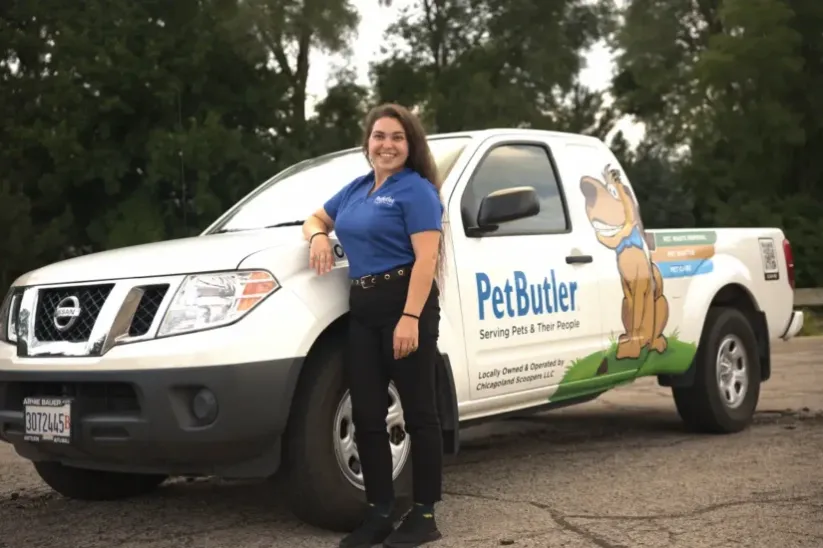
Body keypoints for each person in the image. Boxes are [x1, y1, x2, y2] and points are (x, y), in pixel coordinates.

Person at [301, 103, 446, 548]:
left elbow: (427, 258)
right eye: (380, 136)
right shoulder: (356, 189)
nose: (387, 144)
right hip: (362, 307)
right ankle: (380, 511)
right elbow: (314, 218)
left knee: (420, 413)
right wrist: (320, 236)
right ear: (368, 143)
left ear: (410, 145)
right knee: (367, 414)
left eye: (397, 138)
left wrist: (410, 318)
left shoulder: (416, 190)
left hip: (405, 302)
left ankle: (423, 516)